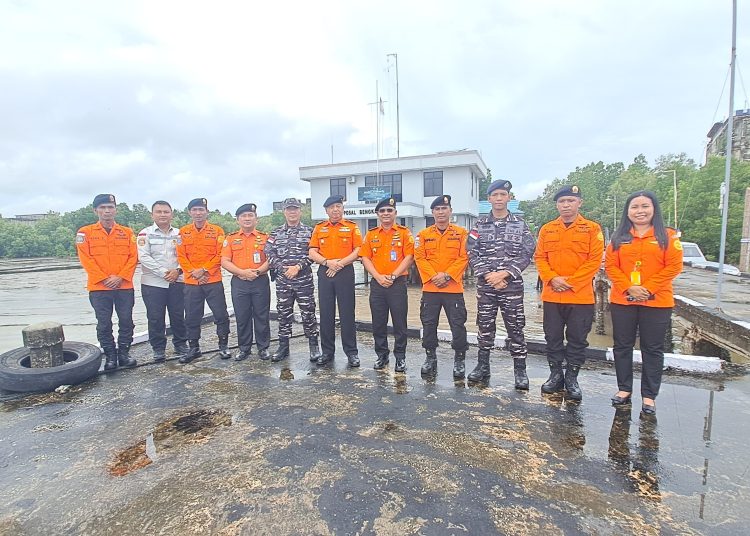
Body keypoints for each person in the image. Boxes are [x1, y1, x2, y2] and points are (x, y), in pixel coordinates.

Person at [605, 190, 683, 416]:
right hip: (623, 299)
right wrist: (629, 287)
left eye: (644, 206)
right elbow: (611, 266)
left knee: (653, 349)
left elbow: (673, 267)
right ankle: (624, 389)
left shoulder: (668, 237)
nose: (640, 211)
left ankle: (649, 396)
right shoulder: (619, 238)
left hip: (657, 301)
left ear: (654, 209)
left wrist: (647, 288)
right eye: (635, 207)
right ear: (627, 211)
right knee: (622, 346)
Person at [534, 185, 604, 400]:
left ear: (579, 203)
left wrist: (571, 282)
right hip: (553, 295)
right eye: (562, 201)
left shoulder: (592, 229)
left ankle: (572, 378)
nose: (566, 205)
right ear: (557, 204)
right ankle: (555, 375)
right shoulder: (547, 229)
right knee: (552, 337)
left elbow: (594, 261)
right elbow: (540, 258)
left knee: (577, 339)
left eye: (570, 201)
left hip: (580, 296)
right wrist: (552, 278)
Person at [467, 180, 535, 388]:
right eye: (495, 195)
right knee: (485, 327)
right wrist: (489, 275)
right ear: (489, 199)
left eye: (502, 195)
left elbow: (528, 252)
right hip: (486, 287)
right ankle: (482, 366)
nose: (498, 198)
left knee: (516, 327)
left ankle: (520, 371)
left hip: (511, 287)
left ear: (509, 198)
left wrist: (504, 274)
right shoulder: (479, 225)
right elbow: (471, 251)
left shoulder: (520, 225)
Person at [75, 194, 137, 370]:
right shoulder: (85, 233)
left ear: (115, 210)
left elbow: (133, 257)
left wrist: (121, 276)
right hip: (99, 287)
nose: (107, 211)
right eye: (103, 207)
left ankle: (124, 353)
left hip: (124, 285)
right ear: (95, 210)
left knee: (126, 320)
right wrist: (104, 278)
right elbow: (86, 259)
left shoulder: (127, 232)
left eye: (110, 207)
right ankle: (110, 356)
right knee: (104, 322)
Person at [414, 195, 469, 378]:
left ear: (450, 211)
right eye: (437, 209)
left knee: (458, 325)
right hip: (431, 289)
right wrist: (433, 276)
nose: (440, 212)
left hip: (453, 289)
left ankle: (459, 359)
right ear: (432, 213)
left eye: (444, 208)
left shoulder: (462, 234)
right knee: (429, 324)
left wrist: (446, 275)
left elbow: (464, 257)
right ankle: (430, 357)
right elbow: (419, 258)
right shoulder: (423, 235)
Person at [360, 197, 415, 372]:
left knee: (400, 322)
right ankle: (382, 355)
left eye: (389, 211)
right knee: (378, 322)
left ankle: (400, 357)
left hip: (397, 283)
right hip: (377, 284)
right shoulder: (371, 234)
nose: (386, 214)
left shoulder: (404, 233)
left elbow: (409, 257)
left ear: (395, 213)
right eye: (382, 211)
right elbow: (365, 258)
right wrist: (377, 276)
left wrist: (392, 275)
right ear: (377, 214)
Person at [265, 198, 322, 363]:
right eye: (289, 209)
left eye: (295, 209)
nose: (292, 212)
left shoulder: (310, 232)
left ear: (300, 211)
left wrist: (297, 267)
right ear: (284, 211)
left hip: (303, 280)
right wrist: (283, 269)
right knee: (283, 313)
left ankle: (313, 346)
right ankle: (283, 347)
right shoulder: (275, 233)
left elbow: (313, 253)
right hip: (283, 281)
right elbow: (269, 252)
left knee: (308, 312)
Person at [308, 194, 362, 366]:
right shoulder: (319, 228)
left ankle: (351, 353)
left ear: (342, 208)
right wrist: (327, 262)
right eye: (332, 207)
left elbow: (358, 250)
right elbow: (312, 252)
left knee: (347, 314)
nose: (335, 210)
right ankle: (327, 353)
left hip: (345, 271)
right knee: (326, 314)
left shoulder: (352, 227)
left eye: (338, 206)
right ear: (326, 210)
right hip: (325, 271)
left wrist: (339, 264)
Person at [176, 198, 231, 363]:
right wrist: (194, 272)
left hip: (212, 279)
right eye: (195, 210)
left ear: (207, 212)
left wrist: (205, 270)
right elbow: (181, 256)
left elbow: (220, 254)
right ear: (189, 212)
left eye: (201, 210)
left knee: (221, 314)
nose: (198, 213)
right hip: (192, 282)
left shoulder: (217, 231)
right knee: (192, 316)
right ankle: (194, 348)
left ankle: (223, 346)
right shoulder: (183, 232)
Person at [136, 200, 188, 363]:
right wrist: (164, 273)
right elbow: (143, 257)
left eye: (166, 212)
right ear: (152, 215)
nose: (163, 215)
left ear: (172, 214)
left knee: (178, 315)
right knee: (155, 317)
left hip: (177, 280)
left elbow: (186, 255)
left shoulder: (180, 234)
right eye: (159, 212)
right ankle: (158, 349)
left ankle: (180, 345)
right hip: (153, 283)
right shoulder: (145, 234)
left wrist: (178, 270)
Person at [221, 203, 271, 361]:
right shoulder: (230, 239)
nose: (247, 218)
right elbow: (225, 261)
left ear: (256, 219)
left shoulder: (265, 237)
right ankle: (244, 348)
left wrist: (257, 272)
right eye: (244, 216)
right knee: (242, 316)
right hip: (239, 282)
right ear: (238, 220)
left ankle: (263, 348)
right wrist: (242, 272)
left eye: (251, 215)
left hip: (260, 280)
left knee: (262, 316)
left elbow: (271, 259)